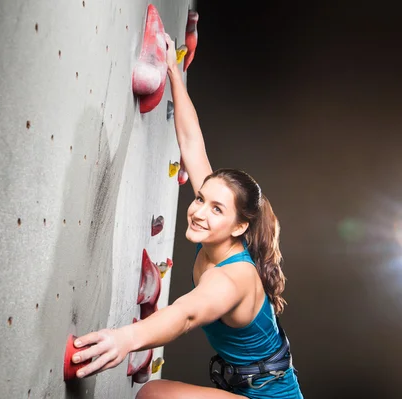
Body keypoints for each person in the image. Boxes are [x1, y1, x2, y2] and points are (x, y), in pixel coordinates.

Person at [70, 34, 303, 399]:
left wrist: (124, 339)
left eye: (216, 209)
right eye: (200, 198)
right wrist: (173, 71)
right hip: (248, 385)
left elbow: (186, 315)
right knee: (155, 393)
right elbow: (192, 144)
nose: (198, 212)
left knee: (152, 395)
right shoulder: (221, 230)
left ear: (240, 226)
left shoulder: (233, 279)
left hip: (268, 396)